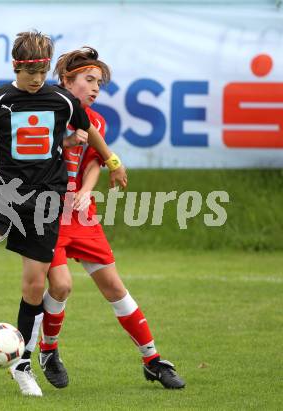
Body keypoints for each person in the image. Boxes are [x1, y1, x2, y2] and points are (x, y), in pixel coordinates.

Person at [0, 31, 127, 397]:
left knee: (35, 287)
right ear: (16, 67)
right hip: (4, 191)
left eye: (42, 72)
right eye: (30, 73)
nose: (37, 79)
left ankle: (22, 366)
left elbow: (89, 131)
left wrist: (113, 161)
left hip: (45, 199)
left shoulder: (62, 100)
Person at [38, 47, 185, 390]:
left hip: (80, 215)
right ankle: (48, 351)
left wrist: (87, 189)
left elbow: (93, 160)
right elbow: (32, 148)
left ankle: (152, 360)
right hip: (46, 213)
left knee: (115, 287)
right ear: (65, 81)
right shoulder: (45, 111)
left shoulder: (96, 121)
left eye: (99, 84)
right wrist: (63, 138)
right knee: (61, 285)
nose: (95, 89)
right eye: (88, 80)